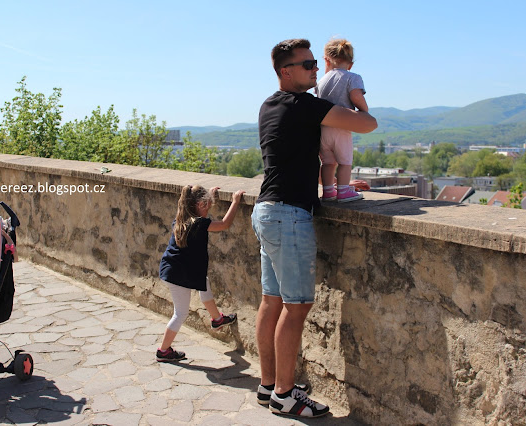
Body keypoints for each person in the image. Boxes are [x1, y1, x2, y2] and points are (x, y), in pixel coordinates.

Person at [251, 38, 377, 417]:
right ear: (286, 71)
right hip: (290, 215)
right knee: (297, 306)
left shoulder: (269, 105)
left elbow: (292, 156)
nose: (316, 70)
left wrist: (337, 184)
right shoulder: (304, 105)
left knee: (272, 302)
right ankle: (285, 395)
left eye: (314, 63)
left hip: (267, 210)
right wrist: (352, 89)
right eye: (307, 65)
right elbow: (368, 124)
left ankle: (269, 385)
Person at [157, 185, 245, 362]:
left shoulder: (182, 219)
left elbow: (201, 213)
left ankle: (217, 319)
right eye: (207, 204)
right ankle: (163, 351)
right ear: (199, 204)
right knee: (180, 313)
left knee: (203, 282)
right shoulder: (199, 224)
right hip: (179, 274)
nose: (209, 207)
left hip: (174, 269)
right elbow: (225, 224)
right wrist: (235, 202)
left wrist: (209, 196)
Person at [316, 38, 369, 202]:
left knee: (327, 163)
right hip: (341, 127)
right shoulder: (352, 78)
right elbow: (356, 96)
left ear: (327, 60)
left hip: (323, 129)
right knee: (345, 161)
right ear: (350, 64)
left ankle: (328, 191)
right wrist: (364, 111)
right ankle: (344, 191)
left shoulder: (321, 81)